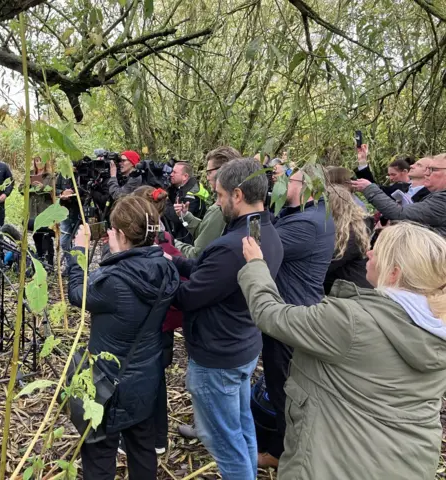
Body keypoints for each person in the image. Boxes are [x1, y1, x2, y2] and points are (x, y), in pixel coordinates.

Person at [239, 222, 446, 480]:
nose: (368, 253)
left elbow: (271, 315)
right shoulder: (437, 326)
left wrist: (256, 266)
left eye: (377, 251)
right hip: (408, 463)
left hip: (334, 465)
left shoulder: (352, 322)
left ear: (394, 273)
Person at [169, 158, 284, 480]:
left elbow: (190, 296)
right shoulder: (264, 233)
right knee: (241, 427)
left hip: (217, 357)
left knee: (223, 441)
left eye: (219, 195)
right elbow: (215, 274)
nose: (217, 203)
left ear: (237, 194)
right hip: (242, 345)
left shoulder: (232, 245)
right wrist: (174, 260)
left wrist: (161, 279)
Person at [68, 196, 180, 480]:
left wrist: (78, 252)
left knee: (98, 453)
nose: (106, 233)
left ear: (121, 234)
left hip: (107, 385)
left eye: (111, 229)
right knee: (142, 448)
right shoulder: (166, 268)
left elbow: (77, 294)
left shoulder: (112, 281)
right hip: (146, 380)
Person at [258, 166, 335, 470]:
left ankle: (285, 457)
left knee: (285, 391)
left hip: (291, 316)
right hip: (294, 311)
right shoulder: (311, 215)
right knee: (285, 386)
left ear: (309, 187)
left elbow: (258, 246)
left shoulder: (307, 223)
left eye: (289, 180)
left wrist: (257, 208)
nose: (281, 183)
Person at [132, 186, 182, 454]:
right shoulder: (165, 239)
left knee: (147, 380)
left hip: (150, 328)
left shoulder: (152, 248)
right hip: (162, 326)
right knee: (156, 378)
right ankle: (157, 437)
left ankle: (151, 438)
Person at [352, 153, 446, 237]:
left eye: (432, 169)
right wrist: (362, 162)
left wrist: (393, 232)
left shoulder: (440, 200)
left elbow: (400, 214)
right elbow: (376, 189)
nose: (412, 166)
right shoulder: (401, 187)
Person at [173, 147, 238, 259]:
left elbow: (197, 255)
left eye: (209, 172)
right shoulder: (234, 203)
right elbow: (206, 232)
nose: (207, 177)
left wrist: (170, 243)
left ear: (223, 171)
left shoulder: (222, 209)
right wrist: (186, 217)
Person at [323, 185, 371, 294]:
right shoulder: (354, 228)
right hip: (343, 287)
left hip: (350, 291)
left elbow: (327, 264)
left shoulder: (350, 235)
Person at [165, 161, 209, 244]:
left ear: (185, 176)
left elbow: (176, 217)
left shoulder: (191, 195)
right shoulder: (183, 188)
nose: (171, 174)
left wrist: (165, 200)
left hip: (189, 241)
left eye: (174, 172)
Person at [28, 156, 56, 267]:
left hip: (45, 210)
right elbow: (20, 188)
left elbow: (54, 192)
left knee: (47, 237)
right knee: (36, 236)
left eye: (41, 160)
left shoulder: (50, 176)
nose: (39, 163)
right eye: (36, 160)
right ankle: (39, 261)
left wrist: (43, 187)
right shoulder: (30, 174)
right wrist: (29, 185)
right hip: (32, 210)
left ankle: (50, 264)